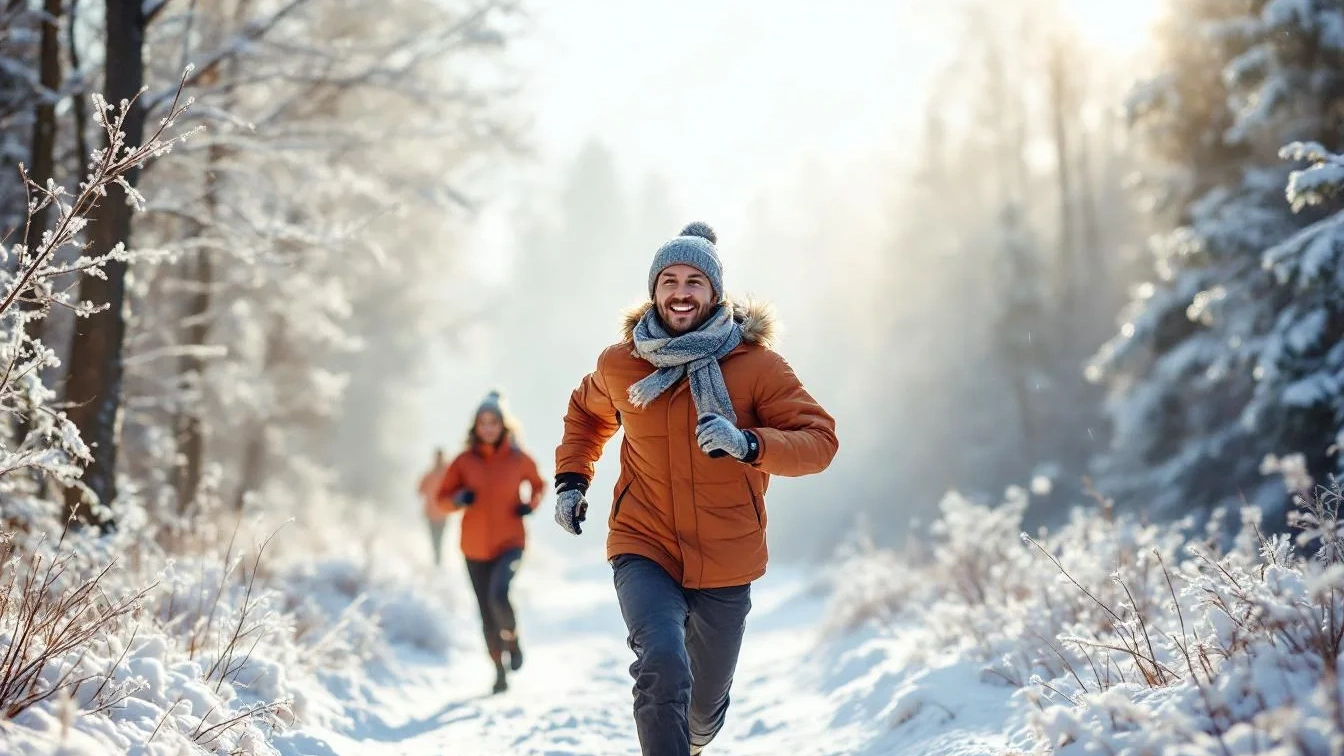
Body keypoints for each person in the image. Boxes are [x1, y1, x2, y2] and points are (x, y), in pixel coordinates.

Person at [553, 222, 838, 756]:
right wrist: (572, 479)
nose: (680, 293)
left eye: (694, 282)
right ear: (653, 290)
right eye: (669, 280)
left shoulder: (756, 367)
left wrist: (748, 443)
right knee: (661, 662)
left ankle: (693, 740)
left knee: (700, 714)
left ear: (714, 293)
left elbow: (820, 441)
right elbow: (585, 416)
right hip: (645, 542)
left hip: (726, 555)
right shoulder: (621, 364)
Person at [436, 390, 545, 694]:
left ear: (503, 425)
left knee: (500, 594)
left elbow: (538, 484)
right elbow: (441, 500)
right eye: (482, 422)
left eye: (493, 422)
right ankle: (498, 669)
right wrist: (458, 499)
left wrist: (530, 504)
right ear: (475, 427)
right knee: (485, 612)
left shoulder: (518, 458)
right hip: (474, 548)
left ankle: (512, 637)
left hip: (510, 542)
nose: (488, 428)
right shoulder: (463, 461)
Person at [418, 447, 449, 566]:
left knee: (439, 538)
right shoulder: (429, 474)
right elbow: (420, 490)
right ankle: (437, 559)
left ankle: (438, 559)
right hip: (432, 513)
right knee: (434, 538)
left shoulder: (447, 473)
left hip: (442, 513)